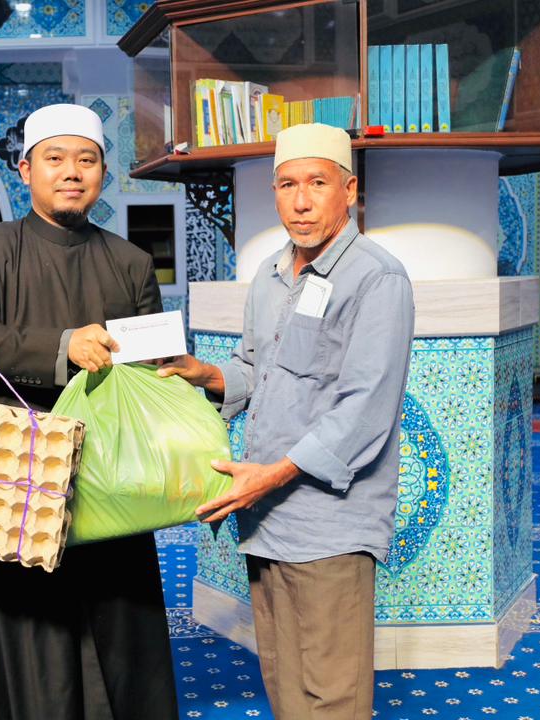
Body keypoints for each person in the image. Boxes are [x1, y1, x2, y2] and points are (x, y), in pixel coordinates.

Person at [0, 103, 177, 720]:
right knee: (12, 623)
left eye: (86, 160)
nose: (71, 172)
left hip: (108, 470)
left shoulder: (132, 262)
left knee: (114, 609)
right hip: (10, 469)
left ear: (102, 174)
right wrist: (64, 347)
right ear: (25, 170)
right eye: (55, 158)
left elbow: (150, 366)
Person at [159, 123, 415, 720]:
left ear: (348, 191)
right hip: (267, 516)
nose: (301, 201)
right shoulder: (270, 276)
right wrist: (204, 373)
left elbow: (366, 408)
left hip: (329, 523)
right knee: (284, 680)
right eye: (287, 185)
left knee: (332, 692)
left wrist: (269, 477)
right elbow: (256, 370)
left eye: (317, 183)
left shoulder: (377, 277)